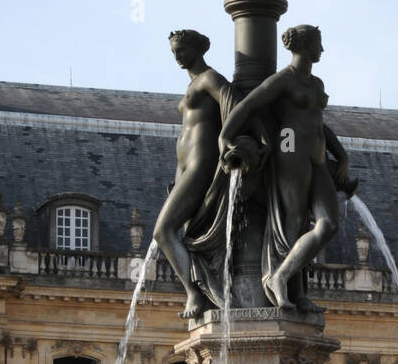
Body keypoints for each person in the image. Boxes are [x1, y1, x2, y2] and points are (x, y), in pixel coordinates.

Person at [218, 24, 354, 311]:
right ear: (305, 46)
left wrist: (341, 156)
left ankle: (282, 276)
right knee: (293, 225)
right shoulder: (284, 79)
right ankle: (289, 288)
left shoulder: (316, 84)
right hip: (291, 152)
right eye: (317, 44)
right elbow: (247, 105)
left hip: (318, 158)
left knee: (328, 224)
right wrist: (225, 137)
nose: (322, 49)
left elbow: (318, 123)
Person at [151, 30, 234, 319]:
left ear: (198, 50)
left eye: (182, 50)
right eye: (174, 51)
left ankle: (195, 293)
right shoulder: (192, 85)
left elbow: (234, 106)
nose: (177, 56)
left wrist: (228, 141)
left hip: (202, 163)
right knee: (183, 236)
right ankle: (200, 289)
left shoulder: (210, 79)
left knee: (163, 231)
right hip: (186, 167)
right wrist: (178, 176)